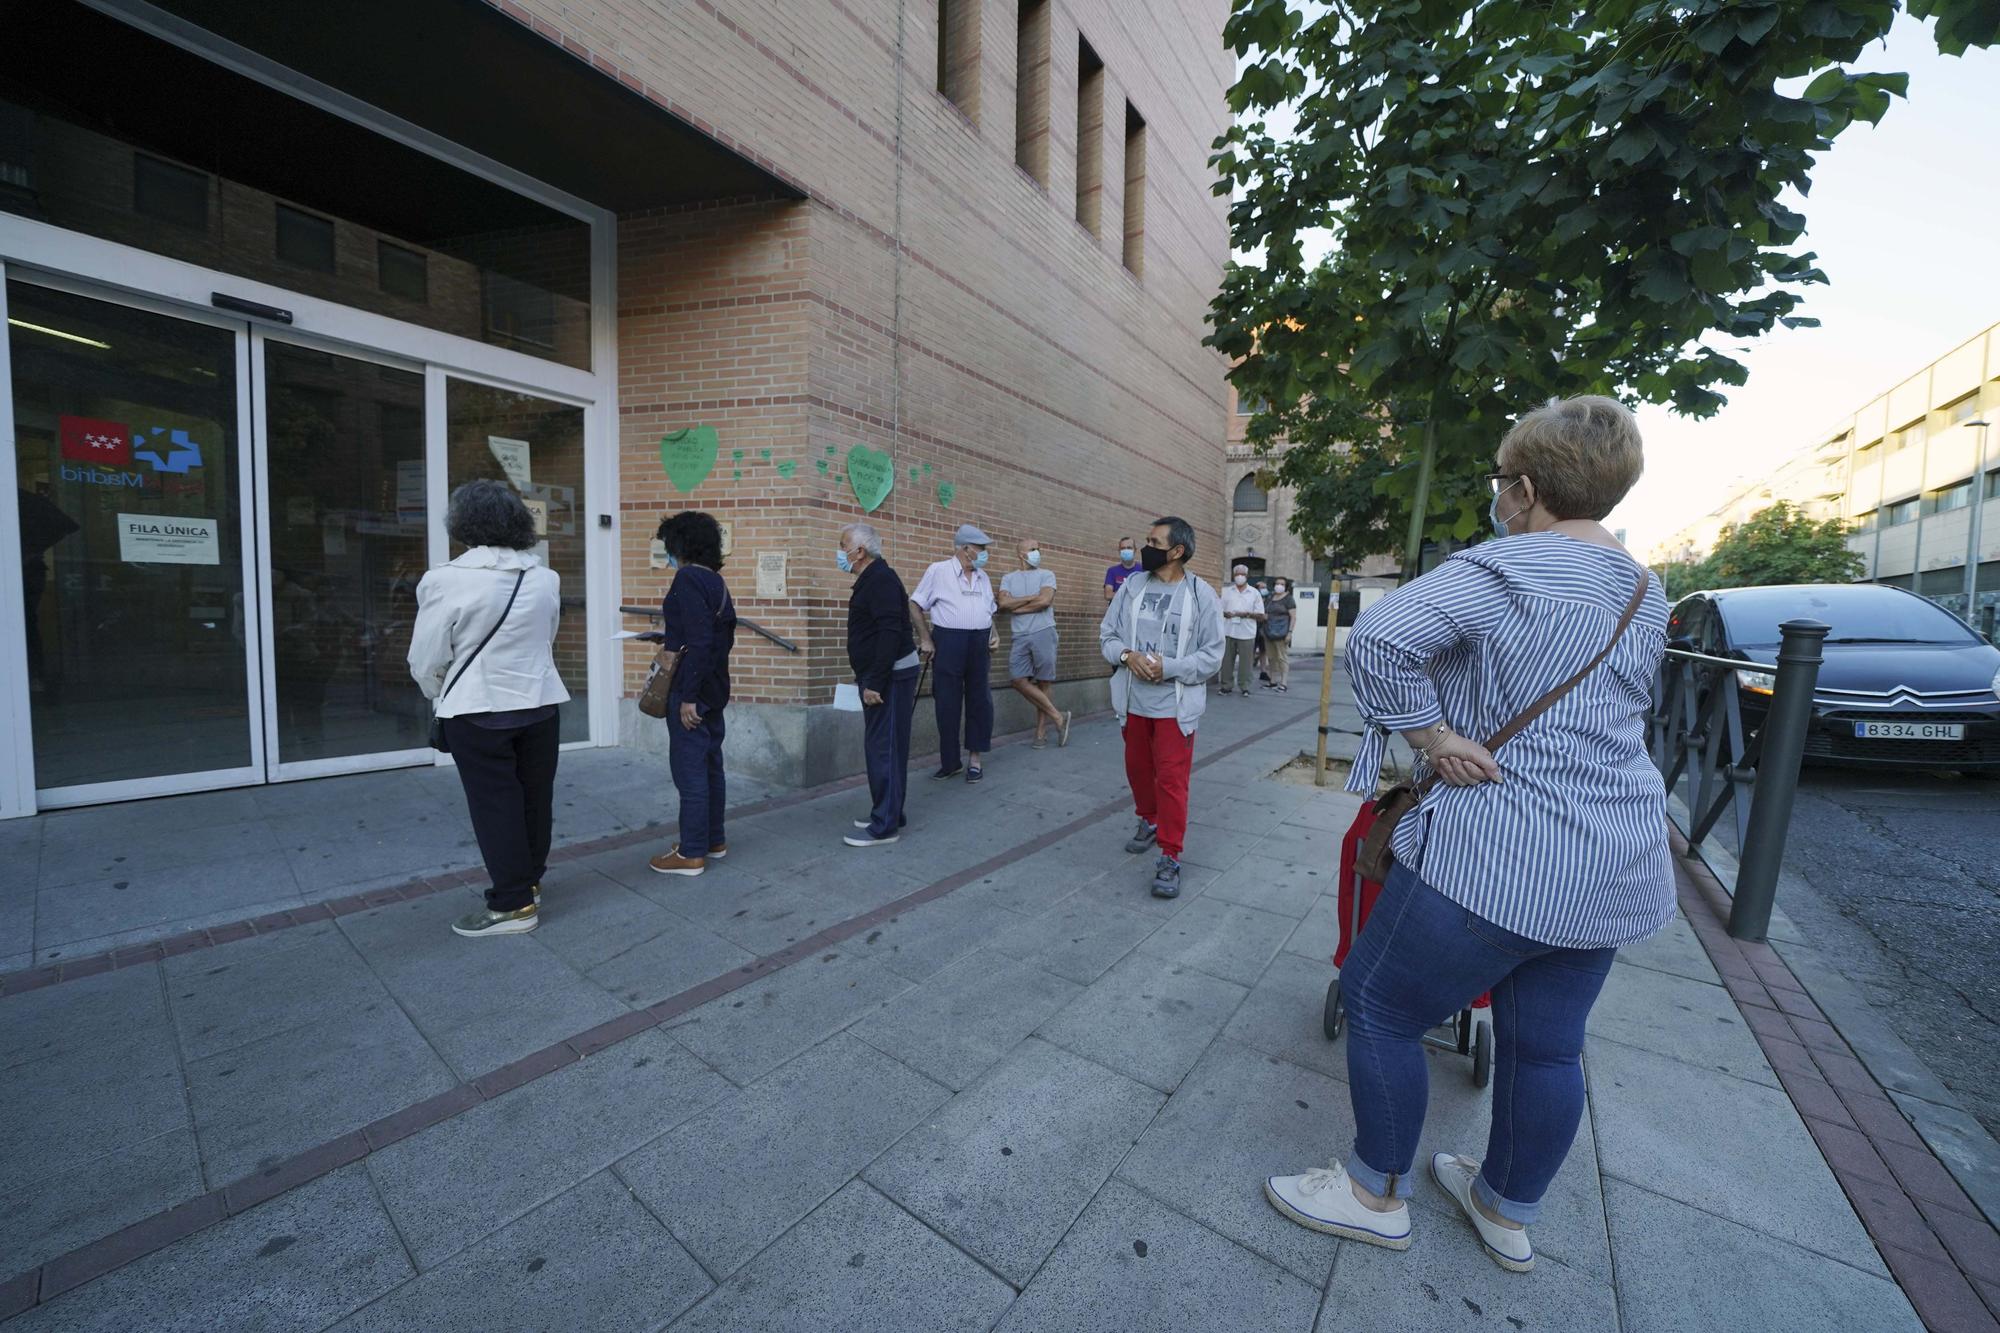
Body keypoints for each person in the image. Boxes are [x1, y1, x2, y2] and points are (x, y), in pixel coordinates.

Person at [1264, 395, 1671, 1275]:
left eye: (1500, 480)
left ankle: (1374, 1192)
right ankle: (1503, 1206)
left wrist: (1433, 736)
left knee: (1378, 1000)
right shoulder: (1645, 589)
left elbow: (1378, 640)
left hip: (1499, 845)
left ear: (1523, 489)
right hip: (1613, 856)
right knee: (1551, 1043)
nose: (1498, 496)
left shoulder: (1503, 566)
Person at [409, 480, 569, 938]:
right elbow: (547, 636)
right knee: (535, 799)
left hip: (477, 710)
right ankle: (530, 883)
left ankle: (513, 904)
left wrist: (437, 693)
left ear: (461, 524)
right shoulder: (545, 577)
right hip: (539, 703)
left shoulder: (444, 579)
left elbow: (427, 658)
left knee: (495, 805)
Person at [1100, 516, 1224, 899]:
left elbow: (1212, 656)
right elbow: (1108, 634)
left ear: (1177, 551)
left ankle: (1170, 854)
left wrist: (1170, 668)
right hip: (1133, 702)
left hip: (1174, 706)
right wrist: (1126, 654)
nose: (1143, 547)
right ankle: (1148, 821)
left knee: (1171, 780)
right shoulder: (1133, 586)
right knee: (1138, 770)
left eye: (1154, 541)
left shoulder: (1201, 594)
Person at [646, 511, 739, 876]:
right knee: (711, 765)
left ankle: (691, 853)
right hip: (715, 686)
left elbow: (700, 641)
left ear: (680, 545)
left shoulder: (687, 578)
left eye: (669, 546)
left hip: (692, 689)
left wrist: (687, 697)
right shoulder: (716, 582)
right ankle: (712, 840)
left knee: (690, 771)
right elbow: (717, 639)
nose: (668, 554)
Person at [840, 521, 920, 847]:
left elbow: (890, 633)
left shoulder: (881, 579)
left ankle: (884, 826)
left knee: (882, 748)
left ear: (860, 551)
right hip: (886, 674)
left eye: (843, 544)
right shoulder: (874, 578)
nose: (840, 551)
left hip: (889, 678)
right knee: (888, 746)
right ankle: (889, 811)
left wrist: (874, 681)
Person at [910, 523, 999, 782]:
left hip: (979, 642)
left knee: (980, 700)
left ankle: (975, 759)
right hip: (949, 640)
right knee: (947, 701)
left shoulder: (983, 577)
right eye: (980, 548)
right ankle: (950, 762)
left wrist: (994, 633)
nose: (984, 553)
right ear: (965, 548)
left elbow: (988, 610)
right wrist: (926, 639)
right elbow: (915, 604)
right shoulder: (938, 571)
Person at [998, 536, 1071, 749]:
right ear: (1021, 554)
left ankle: (1040, 731)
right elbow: (1003, 602)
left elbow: (1045, 600)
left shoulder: (1047, 574)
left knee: (1043, 681)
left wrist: (1017, 607)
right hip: (1019, 635)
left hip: (1043, 632)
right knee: (1017, 679)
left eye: (1038, 548)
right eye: (1032, 549)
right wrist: (1032, 598)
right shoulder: (1008, 578)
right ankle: (1059, 717)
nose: (1037, 552)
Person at [1217, 564, 1265, 695]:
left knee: (1246, 663)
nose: (1240, 577)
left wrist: (1246, 614)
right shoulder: (1227, 592)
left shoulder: (1254, 593)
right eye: (1237, 574)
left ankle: (1245, 687)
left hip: (1247, 633)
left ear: (1247, 576)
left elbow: (1261, 615)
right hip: (1228, 631)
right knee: (1226, 661)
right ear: (1233, 576)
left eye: (1242, 574)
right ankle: (1226, 685)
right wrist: (1225, 614)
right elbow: (1219, 610)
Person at [1261, 577, 1296, 693]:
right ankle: (1272, 681)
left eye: (1282, 584)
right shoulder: (1270, 598)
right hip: (1268, 632)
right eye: (1277, 583)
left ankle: (1284, 683)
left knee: (1282, 658)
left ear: (1286, 586)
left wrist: (1290, 633)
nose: (1279, 586)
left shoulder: (1288, 599)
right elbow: (1265, 611)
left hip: (1282, 633)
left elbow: (1293, 617)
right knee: (1271, 658)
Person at [1103, 538, 1140, 603]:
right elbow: (1108, 595)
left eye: (1129, 548)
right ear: (1119, 551)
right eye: (1123, 548)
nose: (1126, 550)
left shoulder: (1143, 570)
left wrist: (1119, 594)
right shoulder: (1112, 571)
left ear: (1135, 550)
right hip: (1117, 612)